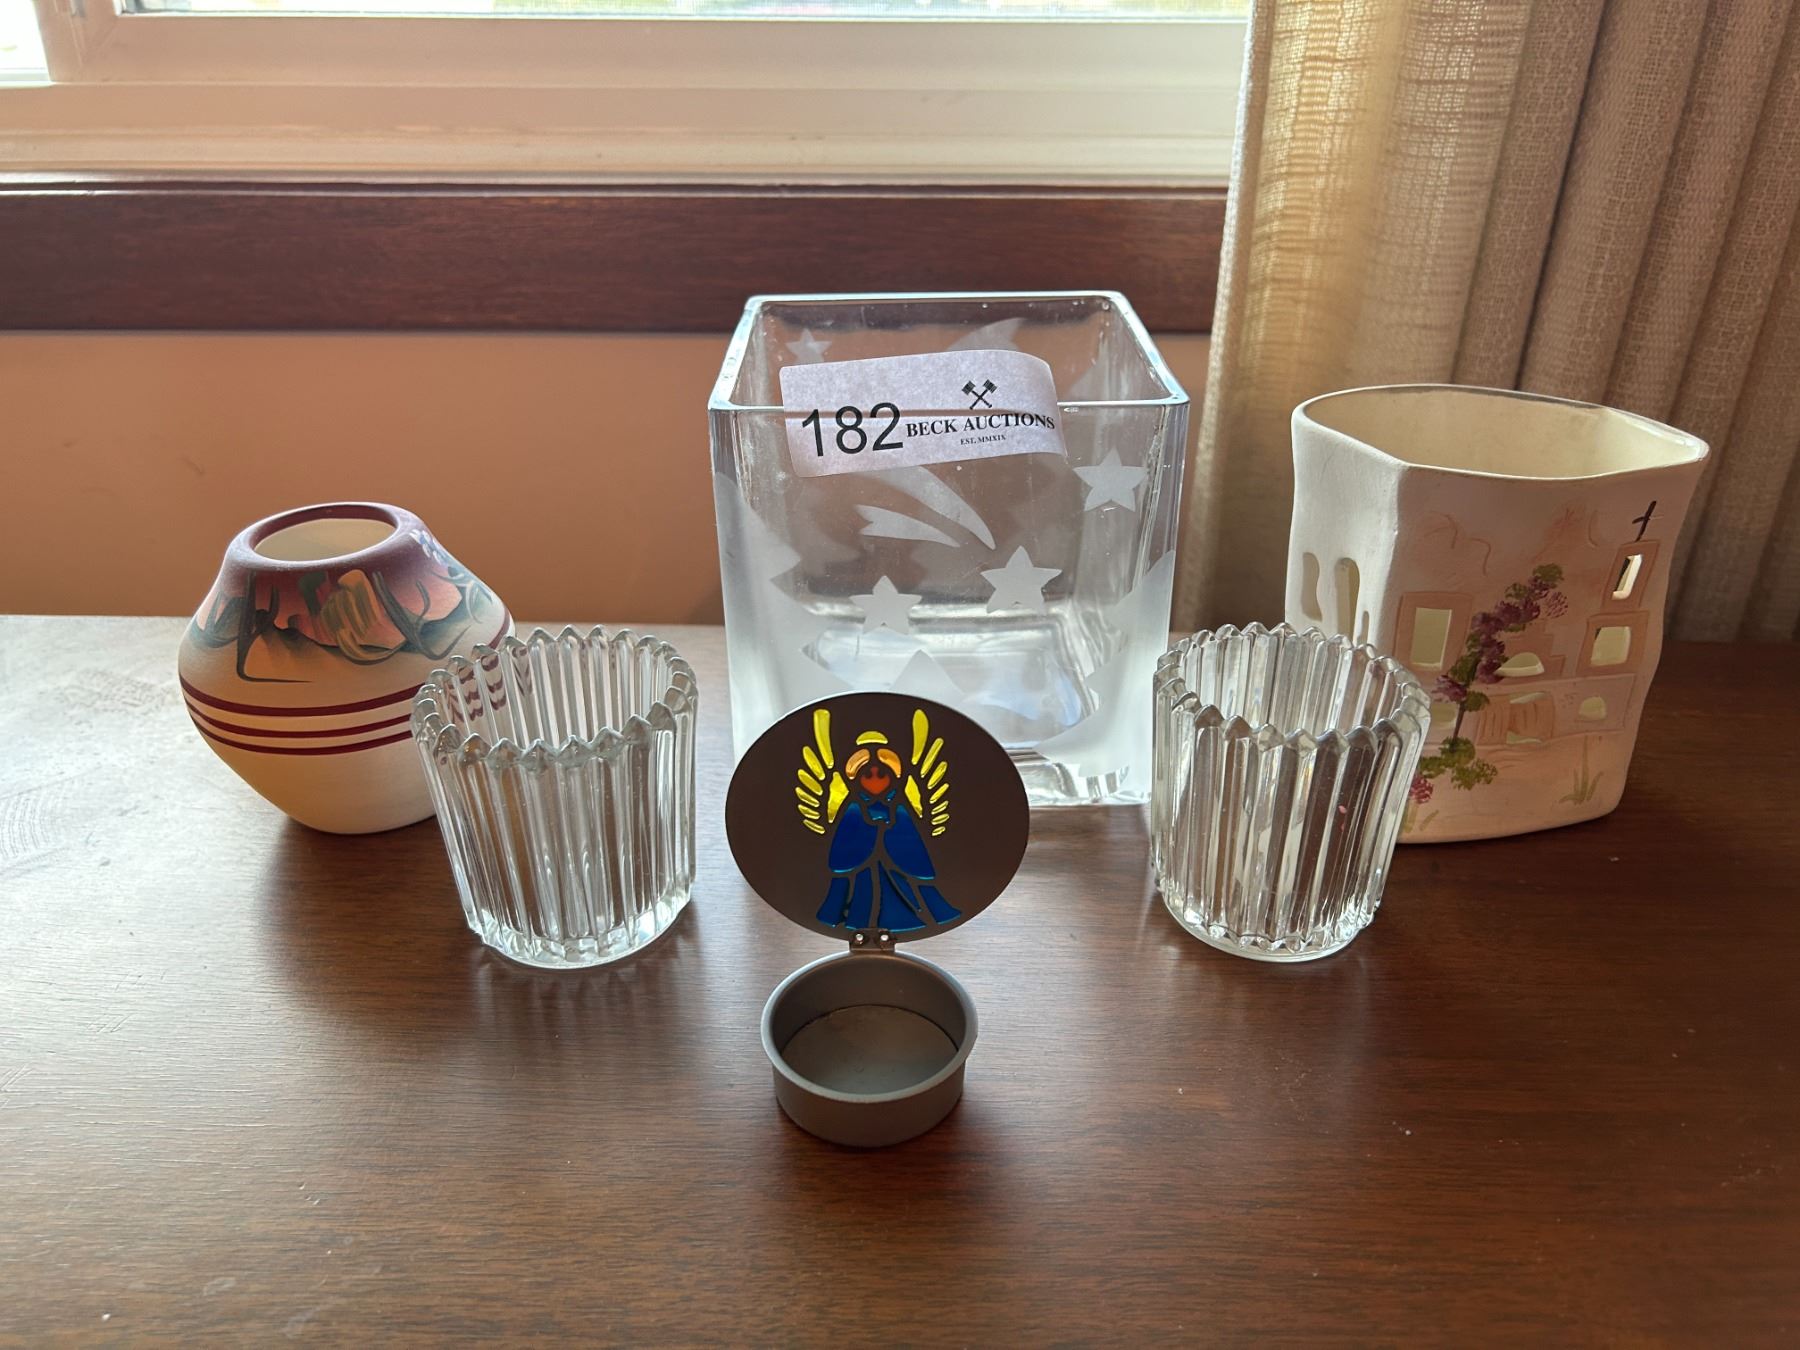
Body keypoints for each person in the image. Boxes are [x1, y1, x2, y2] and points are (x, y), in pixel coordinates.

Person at [815, 745, 960, 932]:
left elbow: (909, 837)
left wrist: (890, 827)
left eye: (882, 775)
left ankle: (911, 918)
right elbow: (846, 840)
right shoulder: (853, 808)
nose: (875, 781)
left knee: (899, 891)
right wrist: (871, 828)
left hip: (895, 863)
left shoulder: (899, 806)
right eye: (868, 775)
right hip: (862, 867)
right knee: (863, 894)